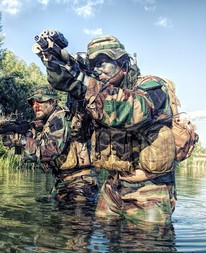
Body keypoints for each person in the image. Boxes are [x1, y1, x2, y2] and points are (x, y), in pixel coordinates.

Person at [35, 33, 178, 223]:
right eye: (93, 65)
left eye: (103, 62)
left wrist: (82, 83)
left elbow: (133, 111)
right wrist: (75, 92)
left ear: (124, 66)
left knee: (146, 248)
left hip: (150, 189)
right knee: (106, 242)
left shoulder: (152, 86)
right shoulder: (96, 95)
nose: (97, 70)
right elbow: (79, 132)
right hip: (112, 185)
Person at [0, 84, 99, 204]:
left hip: (80, 183)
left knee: (75, 221)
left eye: (39, 101)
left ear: (52, 102)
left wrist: (21, 140)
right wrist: (9, 135)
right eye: (32, 102)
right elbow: (32, 142)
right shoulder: (46, 123)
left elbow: (50, 151)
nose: (35, 106)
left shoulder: (60, 119)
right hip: (64, 182)